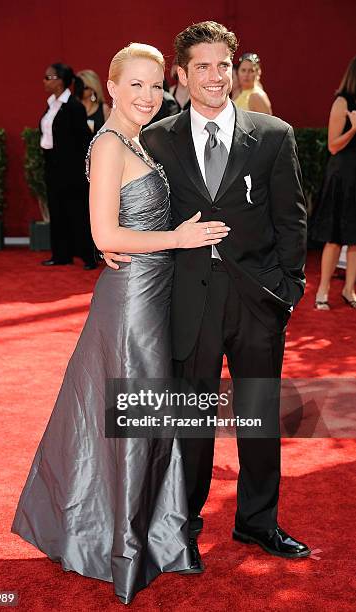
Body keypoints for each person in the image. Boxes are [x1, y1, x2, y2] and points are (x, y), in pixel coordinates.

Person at [11, 43, 229, 604]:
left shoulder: (137, 141)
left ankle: (151, 539)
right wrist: (178, 238)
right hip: (131, 304)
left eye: (156, 86)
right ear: (110, 87)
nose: (147, 96)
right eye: (135, 84)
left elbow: (138, 219)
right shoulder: (108, 145)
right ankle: (126, 551)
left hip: (152, 299)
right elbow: (105, 236)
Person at [104, 21, 310, 567]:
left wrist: (286, 292)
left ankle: (257, 522)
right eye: (202, 66)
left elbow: (292, 221)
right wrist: (112, 242)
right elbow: (131, 207)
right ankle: (183, 521)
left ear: (235, 68)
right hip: (186, 299)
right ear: (183, 74)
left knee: (258, 417)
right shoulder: (157, 139)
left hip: (256, 300)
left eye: (223, 64)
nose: (215, 76)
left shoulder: (273, 135)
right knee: (190, 424)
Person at [40, 63, 97, 269]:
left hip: (71, 171)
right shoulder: (51, 104)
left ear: (60, 81)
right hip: (52, 167)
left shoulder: (74, 107)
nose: (44, 81)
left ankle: (88, 256)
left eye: (48, 77)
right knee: (57, 211)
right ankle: (60, 254)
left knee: (78, 213)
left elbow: (84, 140)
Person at [311, 56, 356, 309]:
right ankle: (323, 291)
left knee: (355, 238)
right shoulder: (343, 101)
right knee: (334, 236)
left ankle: (349, 290)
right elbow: (332, 145)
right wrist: (353, 130)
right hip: (342, 178)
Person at [76, 69, 111, 135]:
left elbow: (109, 133)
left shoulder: (104, 109)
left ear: (93, 88)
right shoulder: (73, 108)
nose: (80, 89)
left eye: (85, 87)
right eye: (78, 86)